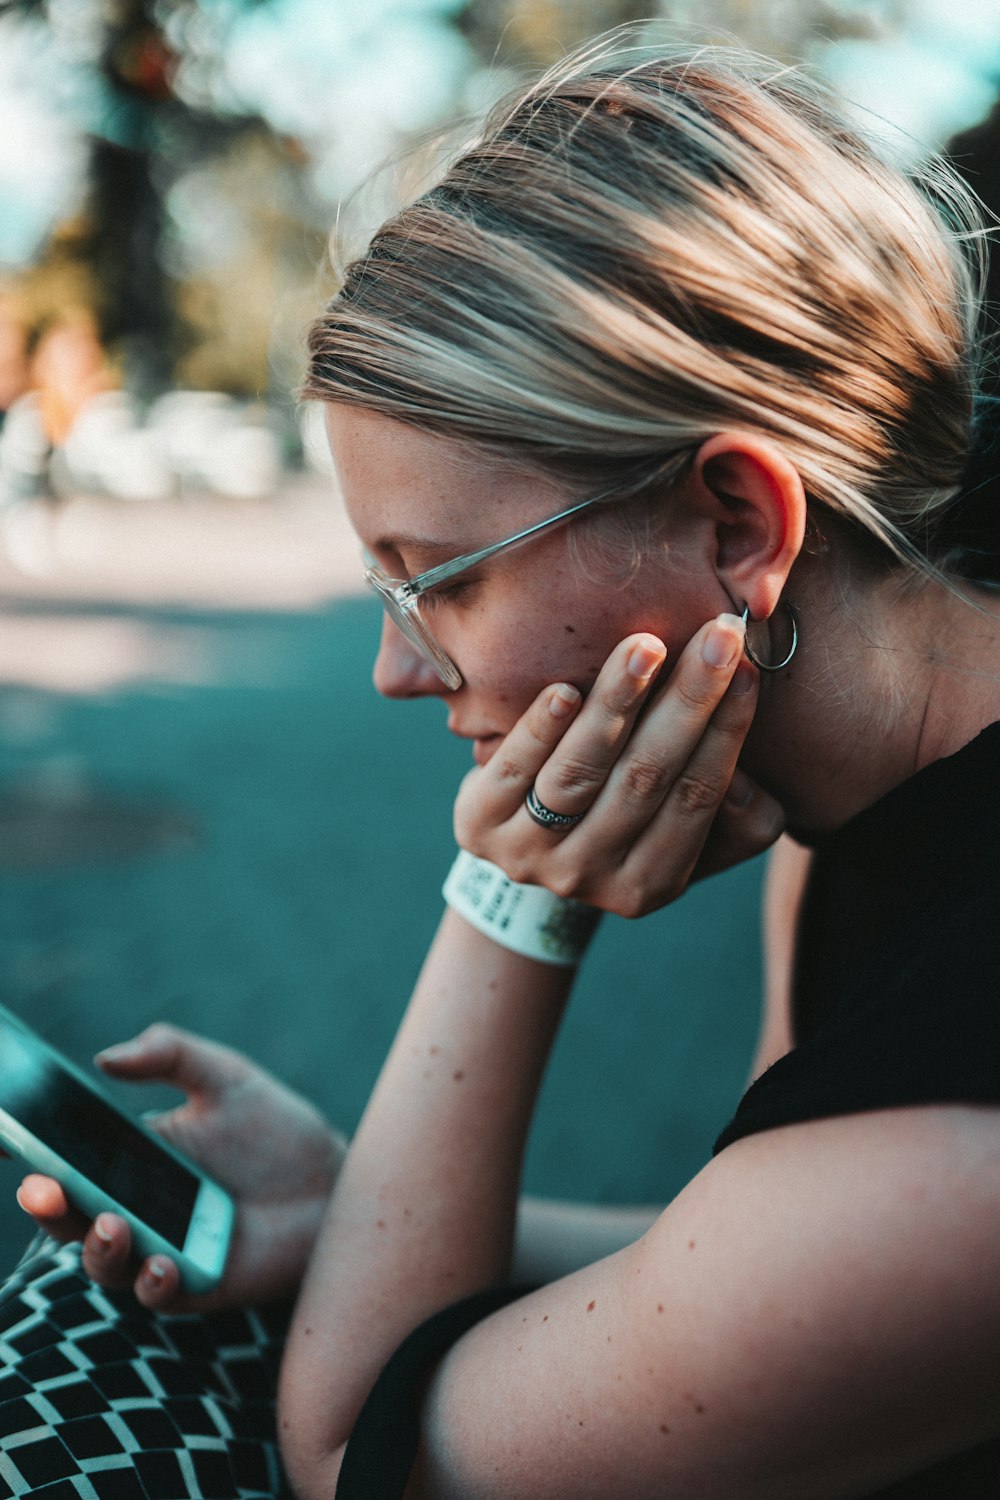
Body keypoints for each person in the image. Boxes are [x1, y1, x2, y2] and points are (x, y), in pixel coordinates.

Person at [5, 34, 1000, 1500]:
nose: (398, 670)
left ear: (736, 525)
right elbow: (745, 1254)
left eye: (439, 581)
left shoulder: (968, 1150)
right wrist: (364, 1201)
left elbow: (359, 1450)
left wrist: (515, 899)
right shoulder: (873, 801)